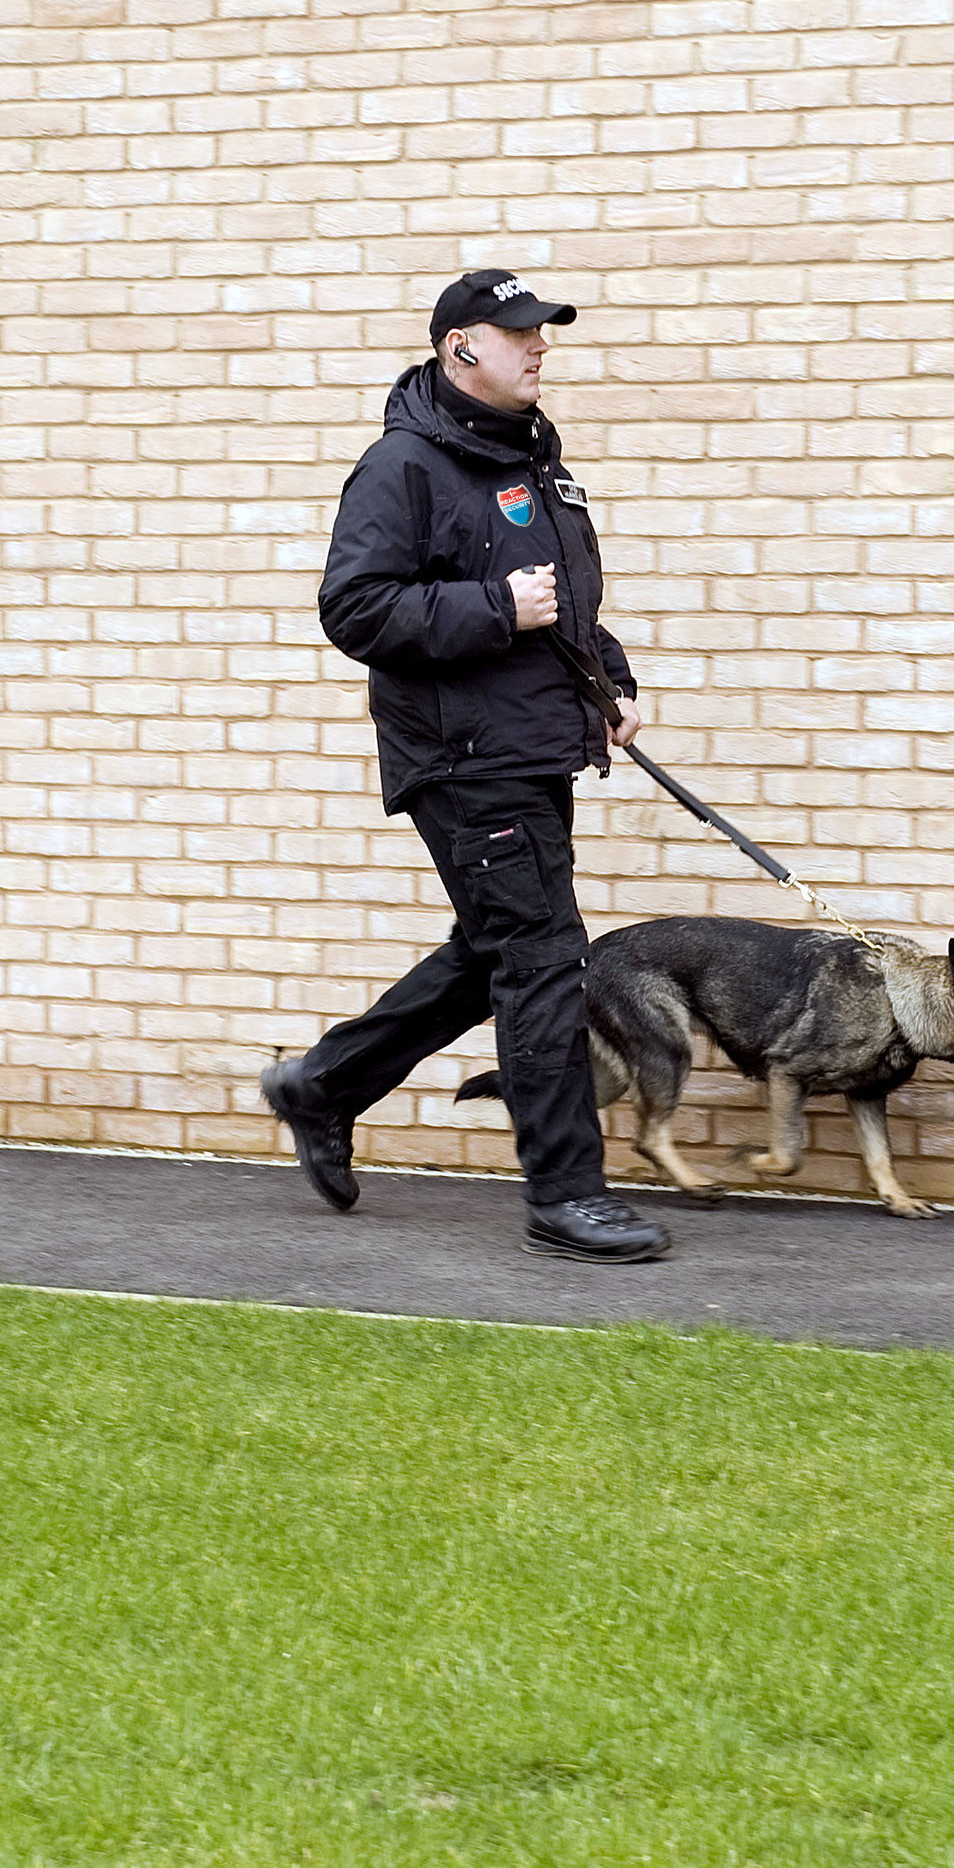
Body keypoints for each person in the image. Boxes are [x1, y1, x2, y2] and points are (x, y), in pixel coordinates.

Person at [259, 271, 674, 1263]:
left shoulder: (529, 458)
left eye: (544, 334)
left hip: (531, 748)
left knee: (496, 954)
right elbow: (353, 610)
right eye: (517, 333)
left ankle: (323, 1086)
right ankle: (567, 1196)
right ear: (459, 350)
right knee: (541, 962)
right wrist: (495, 610)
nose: (538, 348)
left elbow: (564, 599)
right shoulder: (402, 467)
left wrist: (606, 681)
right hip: (463, 759)